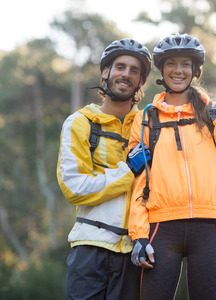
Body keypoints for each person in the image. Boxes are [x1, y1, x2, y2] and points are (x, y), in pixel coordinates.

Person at [127, 33, 216, 299]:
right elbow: (138, 182)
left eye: (185, 64)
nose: (178, 70)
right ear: (161, 69)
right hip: (161, 228)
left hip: (210, 227)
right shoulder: (145, 119)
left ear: (195, 70)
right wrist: (138, 235)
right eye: (171, 63)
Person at [56, 38, 151, 300]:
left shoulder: (148, 126)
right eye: (120, 66)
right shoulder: (80, 123)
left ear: (141, 82)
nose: (126, 74)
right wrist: (128, 170)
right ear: (105, 72)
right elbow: (74, 188)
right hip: (89, 249)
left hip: (135, 252)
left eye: (135, 71)